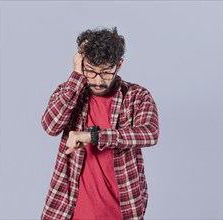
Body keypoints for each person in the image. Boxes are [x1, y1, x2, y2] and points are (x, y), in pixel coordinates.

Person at [40, 27, 159, 220]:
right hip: (69, 209)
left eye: (105, 72)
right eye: (90, 71)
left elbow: (150, 133)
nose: (97, 80)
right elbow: (50, 125)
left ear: (118, 65)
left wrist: (93, 136)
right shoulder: (70, 92)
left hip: (122, 209)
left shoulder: (136, 96)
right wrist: (76, 76)